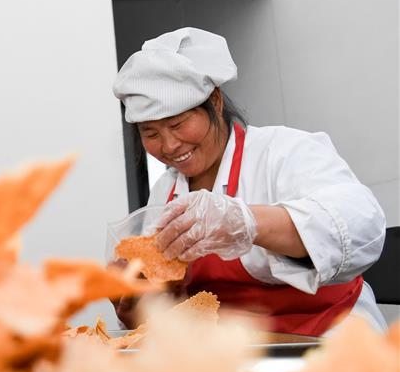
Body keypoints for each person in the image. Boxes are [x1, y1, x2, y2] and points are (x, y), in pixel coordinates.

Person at [111, 27, 386, 336]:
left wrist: (246, 223)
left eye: (177, 124)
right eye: (150, 133)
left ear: (215, 102)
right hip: (236, 350)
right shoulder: (166, 191)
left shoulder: (284, 152)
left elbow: (361, 226)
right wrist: (143, 305)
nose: (169, 145)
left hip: (332, 338)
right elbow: (174, 307)